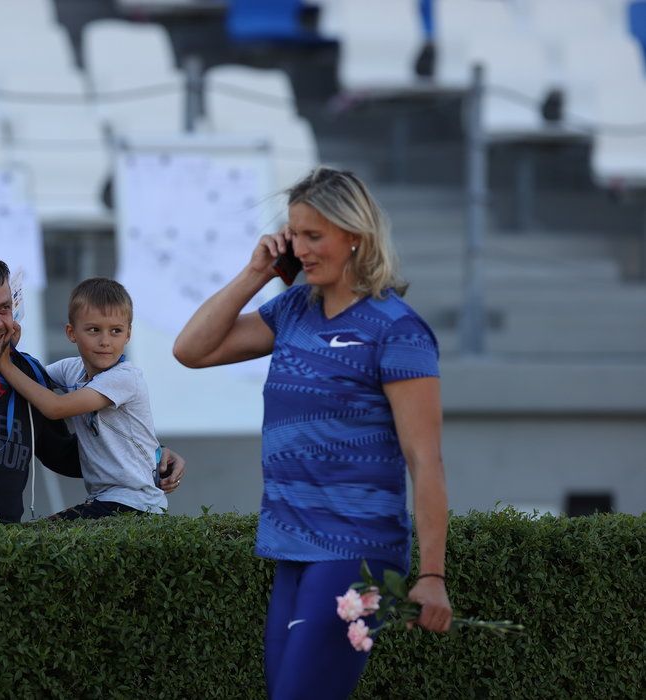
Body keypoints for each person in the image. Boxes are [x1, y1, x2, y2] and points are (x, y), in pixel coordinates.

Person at [173, 167, 452, 699]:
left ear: (355, 237)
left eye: (314, 235)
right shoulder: (294, 310)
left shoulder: (398, 329)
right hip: (293, 550)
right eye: (294, 234)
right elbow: (192, 350)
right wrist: (256, 273)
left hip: (358, 551)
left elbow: (425, 460)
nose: (299, 249)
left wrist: (432, 574)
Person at [0, 248, 185, 524]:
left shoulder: (29, 376)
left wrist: (151, 455)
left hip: (8, 547)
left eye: (4, 308)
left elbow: (70, 457)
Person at [0, 277, 168, 520]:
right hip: (106, 501)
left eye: (115, 331)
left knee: (34, 542)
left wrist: (5, 364)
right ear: (71, 333)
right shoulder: (71, 369)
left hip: (135, 503)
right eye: (94, 330)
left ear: (128, 334)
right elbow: (34, 381)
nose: (105, 341)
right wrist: (11, 350)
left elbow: (55, 408)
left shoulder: (125, 377)